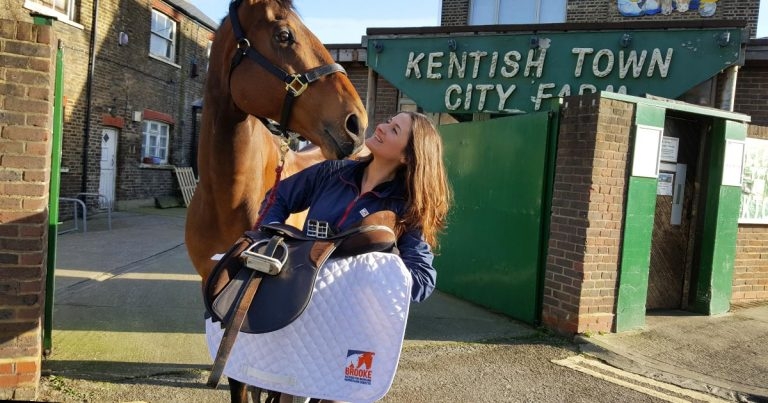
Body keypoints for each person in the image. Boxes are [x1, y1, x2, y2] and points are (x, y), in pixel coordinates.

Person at [257, 111, 452, 403]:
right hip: (303, 309)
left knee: (341, 396)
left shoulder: (410, 208)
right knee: (289, 390)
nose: (382, 127)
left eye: (395, 130)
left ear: (408, 157)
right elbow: (278, 198)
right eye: (388, 121)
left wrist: (372, 267)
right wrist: (270, 239)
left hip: (356, 326)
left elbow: (421, 281)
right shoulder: (330, 173)